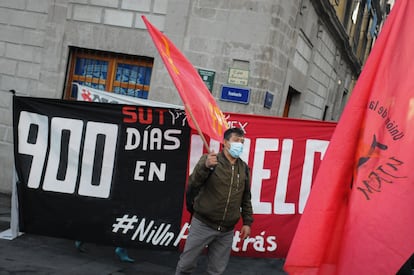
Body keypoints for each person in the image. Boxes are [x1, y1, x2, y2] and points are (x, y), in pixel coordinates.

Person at [175, 127, 253, 275]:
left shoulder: (243, 168)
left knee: (216, 271)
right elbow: (192, 183)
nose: (240, 145)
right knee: (186, 265)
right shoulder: (210, 160)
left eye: (242, 142)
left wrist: (247, 222)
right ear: (225, 142)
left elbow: (246, 197)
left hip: (226, 230)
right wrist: (205, 167)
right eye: (236, 141)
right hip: (203, 224)